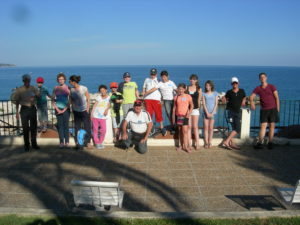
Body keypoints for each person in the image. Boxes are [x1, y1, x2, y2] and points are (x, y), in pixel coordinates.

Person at [250, 73, 280, 149]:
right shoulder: (258, 88)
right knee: (263, 126)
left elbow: (277, 98)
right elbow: (251, 97)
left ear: (266, 78)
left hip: (273, 109)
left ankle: (270, 143)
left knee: (272, 126)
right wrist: (252, 104)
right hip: (264, 110)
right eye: (261, 77)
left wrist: (278, 108)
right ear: (259, 79)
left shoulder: (271, 86)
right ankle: (260, 143)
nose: (262, 78)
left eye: (264, 77)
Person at [14, 74, 40, 151]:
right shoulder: (19, 89)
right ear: (23, 81)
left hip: (32, 108)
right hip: (24, 109)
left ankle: (34, 144)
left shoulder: (33, 88)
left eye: (28, 80)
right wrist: (17, 112)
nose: (27, 81)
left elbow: (39, 96)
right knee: (25, 128)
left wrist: (35, 96)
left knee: (34, 127)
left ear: (30, 80)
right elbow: (17, 101)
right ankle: (26, 145)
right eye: (26, 80)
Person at [221, 77, 246, 150]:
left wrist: (244, 101)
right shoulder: (229, 92)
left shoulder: (242, 91)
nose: (235, 84)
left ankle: (227, 141)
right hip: (229, 111)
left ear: (238, 83)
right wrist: (223, 99)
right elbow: (224, 99)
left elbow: (244, 97)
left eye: (236, 83)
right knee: (231, 128)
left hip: (237, 112)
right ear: (231, 84)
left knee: (238, 128)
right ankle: (231, 144)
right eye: (233, 83)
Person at [69, 75, 91, 149]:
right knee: (77, 127)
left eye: (70, 81)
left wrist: (88, 108)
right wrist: (71, 107)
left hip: (84, 111)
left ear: (73, 81)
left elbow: (88, 98)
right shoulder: (71, 90)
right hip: (76, 111)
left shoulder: (84, 88)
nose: (69, 82)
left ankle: (88, 142)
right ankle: (78, 142)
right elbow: (71, 100)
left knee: (87, 126)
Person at [142, 68, 167, 136]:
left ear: (156, 74)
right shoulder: (147, 79)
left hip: (156, 99)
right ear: (150, 74)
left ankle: (162, 127)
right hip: (147, 99)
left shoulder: (159, 80)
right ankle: (150, 128)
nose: (153, 75)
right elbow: (144, 88)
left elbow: (162, 89)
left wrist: (162, 99)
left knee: (158, 113)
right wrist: (144, 96)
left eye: (154, 74)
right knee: (149, 114)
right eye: (152, 74)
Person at [172, 83, 193, 152]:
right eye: (179, 89)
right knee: (180, 131)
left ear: (184, 89)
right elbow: (174, 108)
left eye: (181, 89)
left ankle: (186, 147)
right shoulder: (176, 97)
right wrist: (173, 118)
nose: (180, 91)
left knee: (185, 131)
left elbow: (192, 106)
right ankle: (181, 146)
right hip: (178, 116)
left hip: (185, 116)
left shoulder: (188, 96)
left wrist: (189, 114)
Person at [52, 73, 71, 149]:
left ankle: (67, 142)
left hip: (66, 109)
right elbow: (53, 100)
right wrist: (57, 109)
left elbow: (70, 100)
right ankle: (61, 142)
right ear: (57, 80)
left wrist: (64, 109)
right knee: (60, 126)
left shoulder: (68, 87)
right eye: (59, 79)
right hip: (58, 109)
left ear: (65, 80)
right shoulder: (55, 88)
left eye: (62, 79)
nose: (61, 80)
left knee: (66, 126)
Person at [91, 85, 111, 149]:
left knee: (104, 130)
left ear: (106, 90)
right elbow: (95, 105)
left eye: (103, 90)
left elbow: (109, 105)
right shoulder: (98, 97)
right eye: (101, 91)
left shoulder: (109, 97)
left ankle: (100, 141)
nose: (102, 92)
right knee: (95, 129)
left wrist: (106, 110)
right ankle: (97, 143)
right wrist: (91, 114)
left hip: (103, 117)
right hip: (95, 116)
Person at [187, 74, 202, 150]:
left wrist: (199, 108)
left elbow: (199, 100)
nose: (192, 80)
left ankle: (197, 144)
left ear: (196, 80)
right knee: (189, 127)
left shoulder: (199, 88)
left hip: (195, 109)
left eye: (193, 79)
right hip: (188, 109)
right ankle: (189, 144)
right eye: (191, 79)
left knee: (195, 127)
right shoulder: (187, 88)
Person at [202, 80, 218, 149]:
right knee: (206, 128)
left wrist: (212, 113)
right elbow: (204, 104)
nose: (207, 87)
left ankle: (210, 142)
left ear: (211, 86)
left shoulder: (215, 93)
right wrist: (207, 112)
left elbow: (216, 103)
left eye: (208, 85)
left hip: (213, 113)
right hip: (206, 113)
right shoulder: (204, 94)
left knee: (211, 128)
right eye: (206, 85)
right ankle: (206, 142)